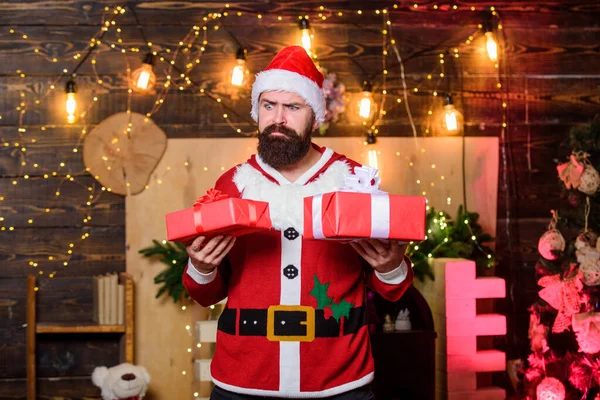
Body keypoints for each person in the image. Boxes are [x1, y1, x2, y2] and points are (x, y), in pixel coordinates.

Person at [183, 46, 413, 399]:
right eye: (268, 105)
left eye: (293, 107)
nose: (278, 118)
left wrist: (391, 266)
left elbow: (391, 289)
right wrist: (200, 266)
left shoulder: (354, 181)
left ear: (315, 116)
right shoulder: (232, 184)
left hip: (340, 382)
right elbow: (208, 293)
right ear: (256, 111)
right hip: (243, 382)